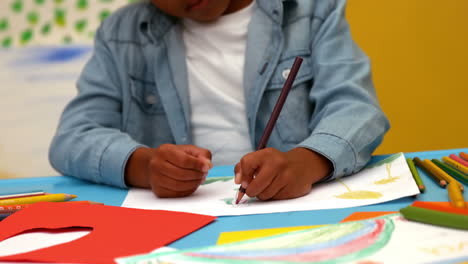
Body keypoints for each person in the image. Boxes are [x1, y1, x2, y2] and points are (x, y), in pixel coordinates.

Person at [49, 0, 390, 201]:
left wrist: (306, 161)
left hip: (292, 213)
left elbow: (356, 108)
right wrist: (145, 166)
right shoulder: (121, 34)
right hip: (185, 227)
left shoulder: (311, 11)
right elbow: (73, 137)